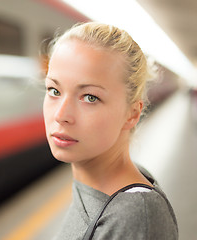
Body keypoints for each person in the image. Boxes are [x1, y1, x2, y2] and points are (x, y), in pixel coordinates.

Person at [43, 22, 178, 239]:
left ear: (132, 114)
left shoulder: (135, 216)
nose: (60, 115)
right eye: (54, 90)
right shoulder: (93, 185)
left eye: (90, 97)